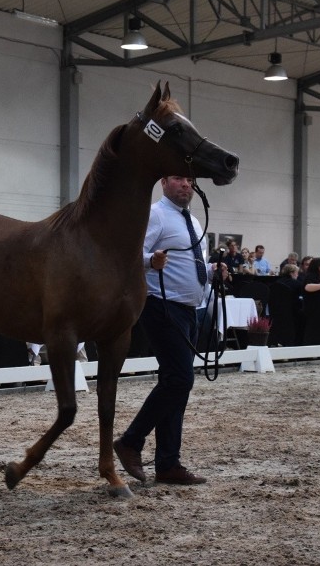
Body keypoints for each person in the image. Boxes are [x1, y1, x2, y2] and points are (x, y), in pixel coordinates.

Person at [113, 175, 226, 486]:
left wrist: (213, 269)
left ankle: (167, 463)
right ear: (163, 182)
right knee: (179, 378)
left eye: (189, 180)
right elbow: (128, 254)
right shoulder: (155, 215)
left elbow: (194, 260)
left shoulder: (191, 219)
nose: (186, 185)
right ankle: (131, 441)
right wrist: (150, 260)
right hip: (162, 305)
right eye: (178, 179)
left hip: (189, 309)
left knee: (176, 384)